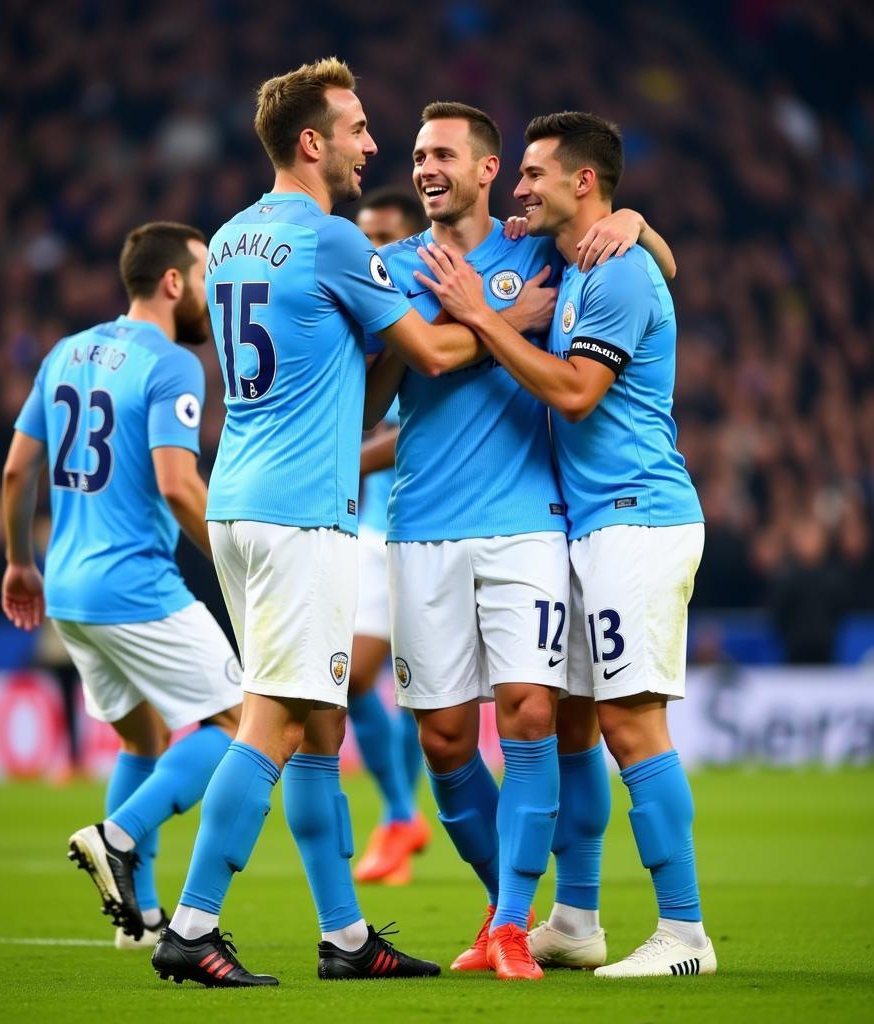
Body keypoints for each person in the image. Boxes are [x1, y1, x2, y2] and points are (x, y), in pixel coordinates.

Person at [151, 57, 488, 990]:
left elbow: (350, 377)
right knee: (269, 721)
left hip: (240, 501)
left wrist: (391, 337)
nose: (371, 145)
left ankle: (344, 936)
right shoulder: (335, 240)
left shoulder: (228, 241)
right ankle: (192, 925)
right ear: (312, 142)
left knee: (320, 721)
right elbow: (430, 352)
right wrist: (507, 315)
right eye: (358, 128)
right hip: (303, 515)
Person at [364, 103, 675, 981]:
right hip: (419, 524)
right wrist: (463, 329)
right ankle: (512, 902)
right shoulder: (391, 267)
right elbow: (391, 384)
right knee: (445, 744)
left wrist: (633, 219)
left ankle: (508, 924)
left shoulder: (536, 249)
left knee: (533, 713)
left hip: (525, 523)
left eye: (443, 155)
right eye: (418, 154)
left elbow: (658, 268)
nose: (426, 167)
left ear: (489, 169)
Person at [1, 222, 243, 950]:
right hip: (135, 585)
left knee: (142, 734)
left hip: (68, 592)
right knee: (241, 724)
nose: (210, 292)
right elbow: (177, 484)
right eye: (203, 276)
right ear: (173, 281)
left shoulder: (64, 353)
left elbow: (17, 471)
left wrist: (19, 562)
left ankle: (137, 920)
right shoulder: (170, 365)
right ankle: (119, 833)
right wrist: (235, 563)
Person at [349, 188, 431, 886]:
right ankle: (401, 817)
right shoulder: (363, 312)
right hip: (372, 527)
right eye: (362, 235)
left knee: (377, 682)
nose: (369, 248)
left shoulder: (415, 302)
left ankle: (402, 816)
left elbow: (415, 432)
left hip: (406, 525)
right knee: (386, 685)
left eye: (381, 236)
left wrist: (341, 455)